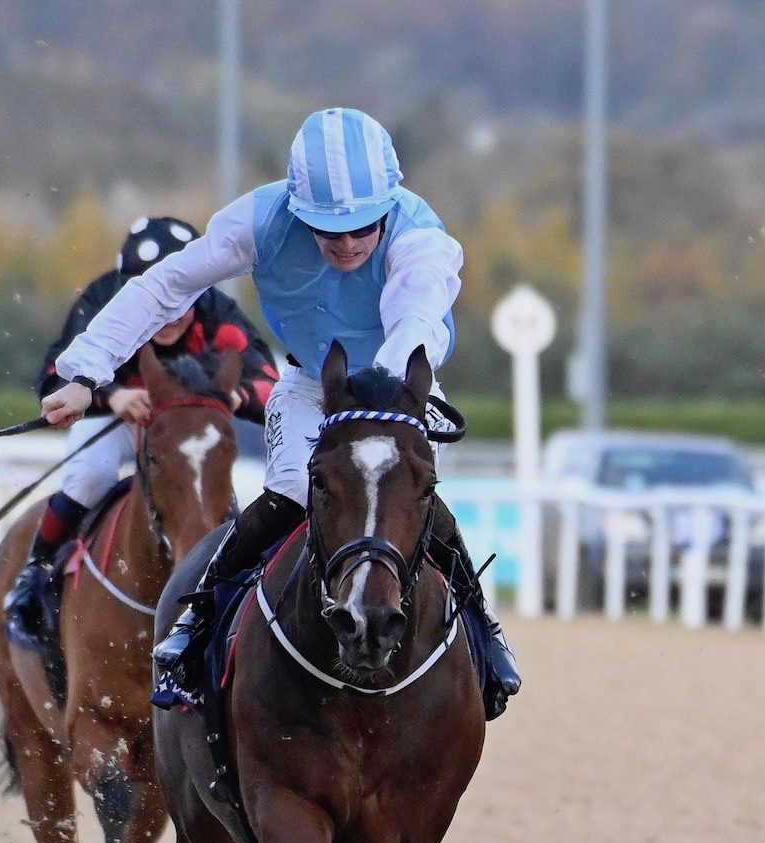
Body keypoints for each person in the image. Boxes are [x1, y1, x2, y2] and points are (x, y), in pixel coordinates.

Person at [38, 108, 520, 717]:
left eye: (362, 228)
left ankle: (484, 633)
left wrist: (384, 383)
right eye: (327, 230)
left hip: (398, 388)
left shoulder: (421, 236)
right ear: (298, 208)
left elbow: (416, 313)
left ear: (389, 204)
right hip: (312, 382)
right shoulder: (258, 220)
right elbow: (166, 285)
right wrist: (86, 370)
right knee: (292, 486)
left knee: (404, 494)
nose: (346, 244)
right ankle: (197, 625)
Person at [1, 217, 280, 644]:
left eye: (182, 300)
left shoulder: (220, 315)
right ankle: (34, 574)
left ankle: (239, 594)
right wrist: (111, 395)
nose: (169, 315)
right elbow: (55, 377)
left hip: (187, 432)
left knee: (213, 496)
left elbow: (270, 385)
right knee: (89, 476)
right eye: (159, 301)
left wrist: (235, 396)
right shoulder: (100, 301)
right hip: (115, 421)